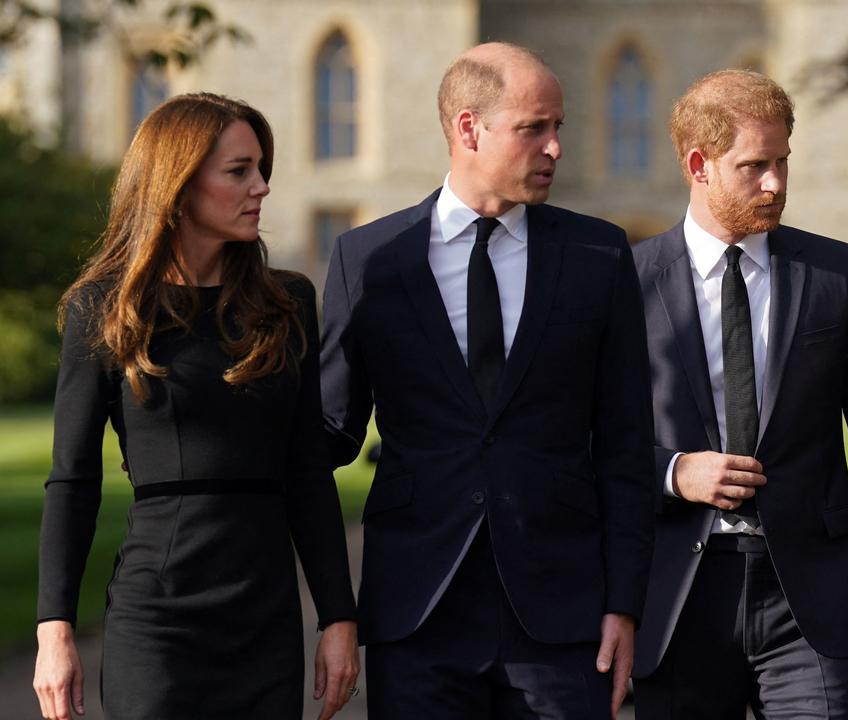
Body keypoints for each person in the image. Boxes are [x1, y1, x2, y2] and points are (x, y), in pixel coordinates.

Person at [318, 42, 654, 719]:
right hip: (417, 613)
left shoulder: (599, 255)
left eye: (558, 127)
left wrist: (624, 604)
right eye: (535, 128)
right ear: (469, 128)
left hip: (561, 621)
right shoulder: (370, 260)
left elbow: (626, 445)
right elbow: (328, 435)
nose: (556, 147)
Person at [629, 69, 848, 719]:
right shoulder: (626, 284)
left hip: (807, 601)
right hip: (677, 598)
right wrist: (672, 471)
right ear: (699, 164)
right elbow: (582, 436)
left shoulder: (835, 274)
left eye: (782, 162)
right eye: (754, 166)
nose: (775, 183)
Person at [31, 93, 359, 720]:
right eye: (238, 171)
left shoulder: (287, 303)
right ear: (178, 184)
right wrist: (55, 631)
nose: (261, 186)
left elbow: (307, 473)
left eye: (262, 168)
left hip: (265, 616)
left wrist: (339, 617)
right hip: (157, 618)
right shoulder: (102, 308)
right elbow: (72, 480)